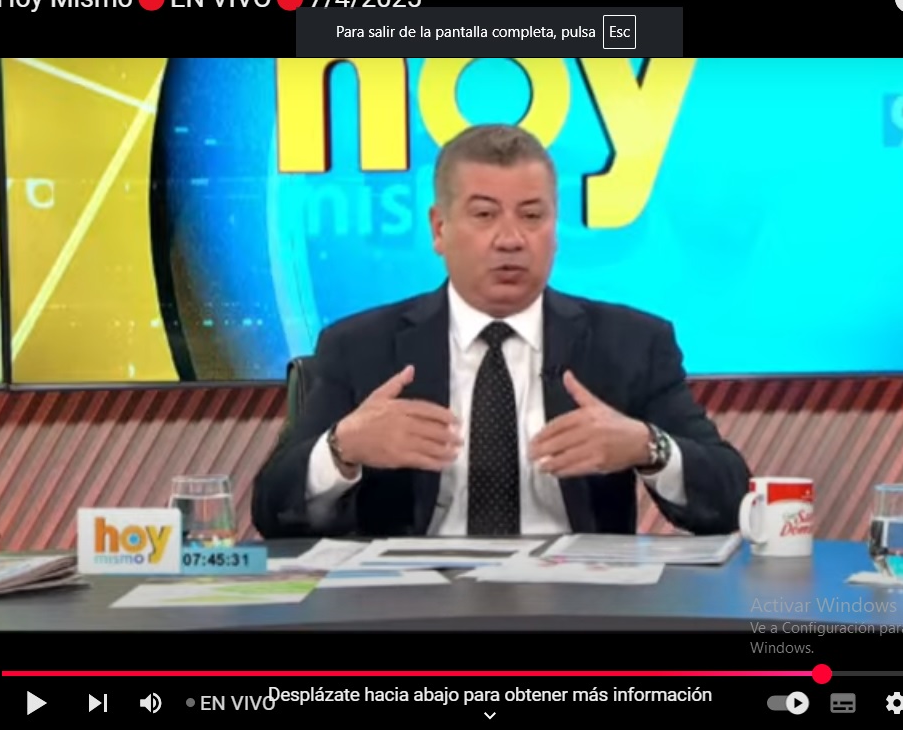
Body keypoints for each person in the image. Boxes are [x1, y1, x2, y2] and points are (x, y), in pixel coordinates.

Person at [252, 124, 751, 539]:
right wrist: (342, 447)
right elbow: (271, 511)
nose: (511, 239)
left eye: (532, 216)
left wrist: (648, 446)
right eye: (484, 214)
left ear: (555, 228)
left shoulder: (632, 343)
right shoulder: (360, 346)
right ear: (439, 229)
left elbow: (731, 499)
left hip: (579, 603)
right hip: (414, 606)